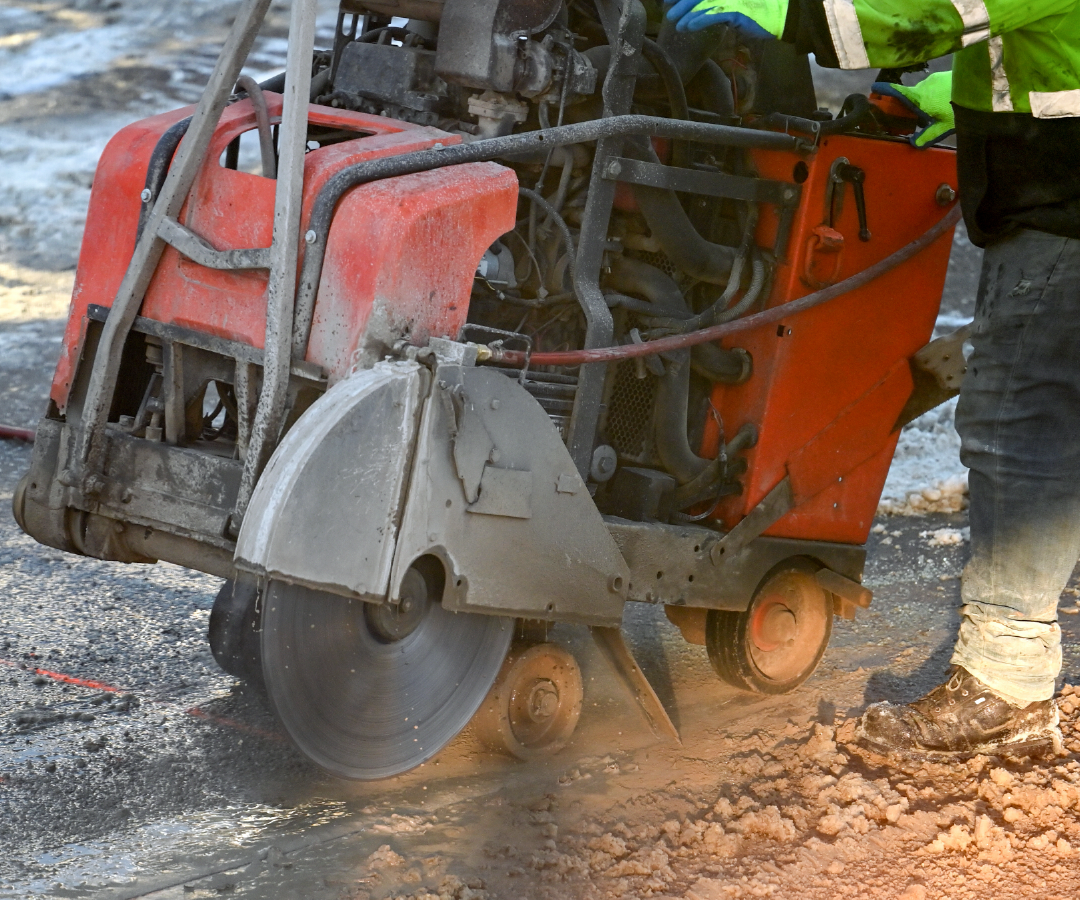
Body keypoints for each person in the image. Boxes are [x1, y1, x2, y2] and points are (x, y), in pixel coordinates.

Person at [665, 0, 1080, 756]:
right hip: (1052, 193)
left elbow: (920, 10)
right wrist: (922, 99)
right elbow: (1022, 43)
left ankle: (1006, 683)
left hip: (1065, 206)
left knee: (1022, 422)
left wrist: (760, 8)